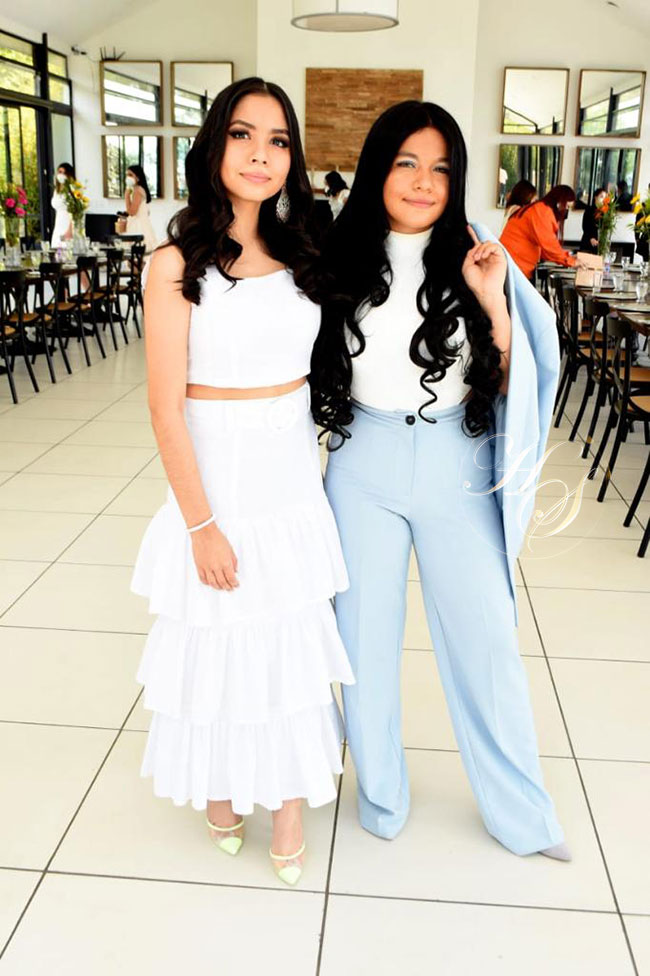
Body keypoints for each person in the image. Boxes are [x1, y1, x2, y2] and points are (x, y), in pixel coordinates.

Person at [310, 100, 570, 860]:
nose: (424, 182)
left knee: (487, 640)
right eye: (407, 164)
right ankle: (381, 796)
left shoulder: (478, 252)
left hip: (458, 460)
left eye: (441, 168)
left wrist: (492, 301)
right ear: (378, 171)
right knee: (363, 640)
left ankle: (521, 814)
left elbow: (518, 380)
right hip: (363, 460)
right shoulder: (337, 255)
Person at [130, 77, 354, 886]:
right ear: (214, 147)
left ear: (292, 158)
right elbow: (164, 408)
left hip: (289, 479)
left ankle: (289, 804)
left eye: (278, 140)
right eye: (243, 135)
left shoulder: (305, 254)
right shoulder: (173, 263)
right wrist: (200, 526)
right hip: (217, 480)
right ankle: (221, 786)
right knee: (218, 639)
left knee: (290, 640)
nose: (261, 154)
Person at [500, 184, 578, 279]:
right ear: (559, 203)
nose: (566, 211)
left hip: (513, 264)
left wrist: (568, 257)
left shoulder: (539, 209)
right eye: (567, 207)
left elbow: (546, 249)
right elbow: (549, 244)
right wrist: (572, 261)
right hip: (515, 265)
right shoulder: (543, 212)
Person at [124, 165, 157, 252]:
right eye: (126, 175)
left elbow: (132, 212)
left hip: (137, 227)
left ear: (138, 177)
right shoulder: (138, 189)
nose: (128, 177)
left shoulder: (137, 190)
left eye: (130, 175)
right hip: (141, 224)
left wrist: (126, 196)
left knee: (135, 255)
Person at [51, 162, 75, 246]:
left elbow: (75, 211)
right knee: (57, 250)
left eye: (63, 173)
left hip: (68, 223)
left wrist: (70, 230)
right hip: (58, 224)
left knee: (66, 249)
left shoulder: (73, 189)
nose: (61, 175)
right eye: (59, 172)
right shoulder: (56, 191)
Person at [578, 186, 606, 254]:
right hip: (587, 242)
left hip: (599, 244)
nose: (603, 200)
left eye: (605, 198)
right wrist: (591, 238)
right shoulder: (589, 210)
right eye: (601, 197)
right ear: (595, 197)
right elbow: (585, 226)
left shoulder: (605, 212)